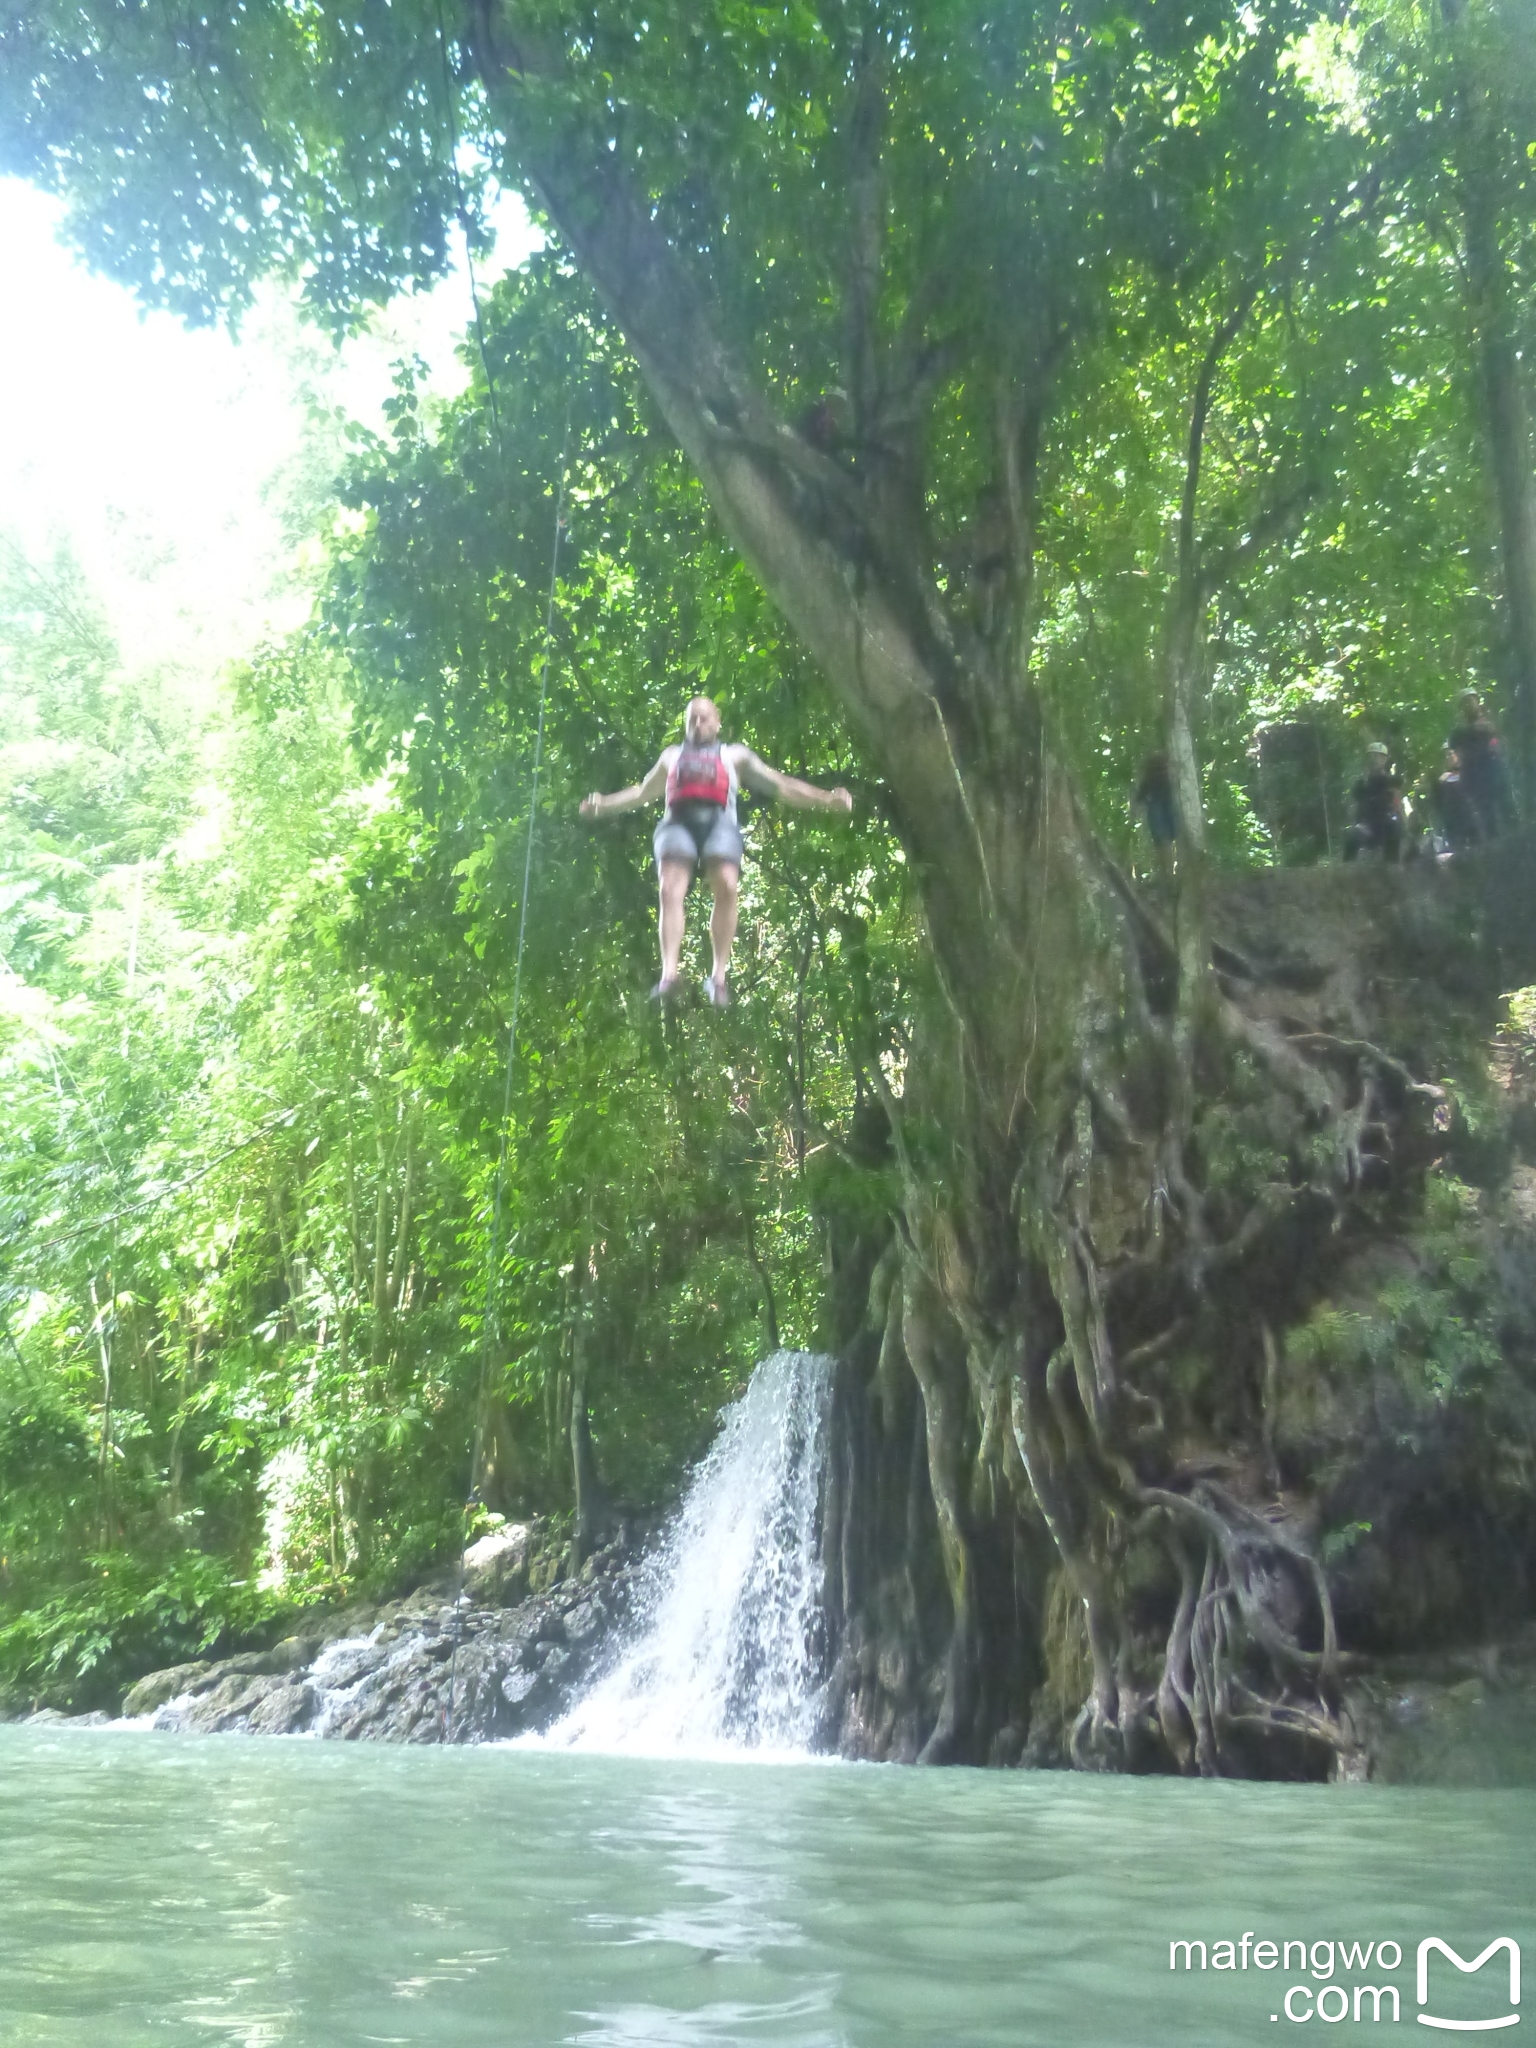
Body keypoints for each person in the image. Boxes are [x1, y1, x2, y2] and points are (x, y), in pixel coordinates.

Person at [579, 696, 853, 1007]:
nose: (698, 724)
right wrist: (603, 805)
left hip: (719, 822)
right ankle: (669, 974)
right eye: (692, 719)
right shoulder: (672, 756)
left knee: (726, 884)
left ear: (718, 721)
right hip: (677, 824)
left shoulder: (734, 756)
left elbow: (782, 785)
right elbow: (642, 792)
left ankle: (718, 977)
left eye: (704, 718)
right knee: (669, 888)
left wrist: (826, 799)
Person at [1447, 689, 1517, 840]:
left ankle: (1517, 837)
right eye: (1464, 703)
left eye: (1470, 700)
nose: (1468, 705)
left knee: (1506, 805)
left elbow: (1497, 737)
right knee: (1486, 812)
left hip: (1494, 767)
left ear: (1477, 701)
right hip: (1475, 774)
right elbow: (1455, 748)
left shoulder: (1489, 723)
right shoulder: (1458, 732)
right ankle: (1495, 846)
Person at [1342, 741, 1404, 862]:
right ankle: (1346, 872)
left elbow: (1397, 803)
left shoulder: (1391, 781)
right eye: (1373, 756)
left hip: (1386, 823)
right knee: (1352, 836)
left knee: (1395, 830)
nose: (1376, 760)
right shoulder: (1362, 782)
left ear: (1385, 759)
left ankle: (1393, 869)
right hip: (1367, 825)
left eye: (1380, 757)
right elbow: (1356, 798)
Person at [1131, 750, 1178, 876]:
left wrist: (1136, 808)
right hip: (1162, 810)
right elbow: (1140, 796)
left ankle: (1167, 873)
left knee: (1163, 844)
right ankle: (1168, 873)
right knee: (1165, 844)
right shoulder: (1163, 776)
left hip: (1160, 810)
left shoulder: (1152, 777)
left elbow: (1140, 796)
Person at [1427, 745, 1480, 856]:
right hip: (1454, 828)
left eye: (1453, 753)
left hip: (1474, 823)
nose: (1451, 757)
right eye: (1447, 755)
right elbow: (1437, 805)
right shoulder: (1443, 781)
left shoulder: (1471, 773)